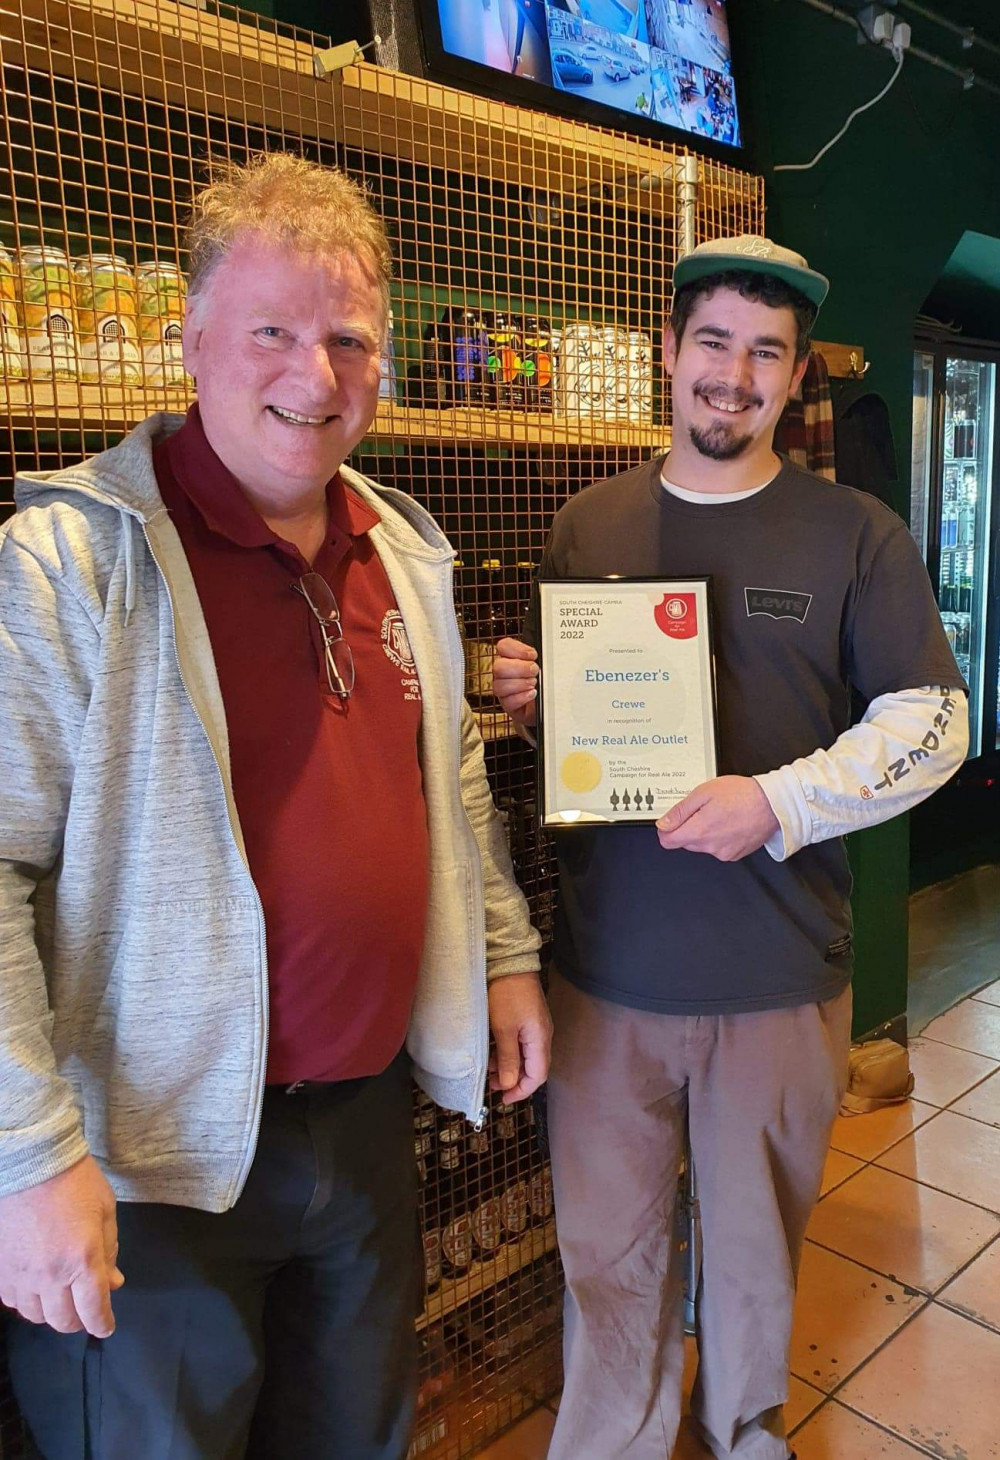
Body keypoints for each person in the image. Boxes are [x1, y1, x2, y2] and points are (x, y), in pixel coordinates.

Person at [0, 152, 550, 1460]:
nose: (317, 375)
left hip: (362, 1127)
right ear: (189, 340)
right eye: (274, 332)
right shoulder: (69, 564)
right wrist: (25, 1154)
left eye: (350, 340)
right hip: (149, 1157)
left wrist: (507, 955)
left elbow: (451, 787)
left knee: (355, 1438)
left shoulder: (400, 551)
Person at [493, 235, 968, 1460]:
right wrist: (546, 696)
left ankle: (744, 1430)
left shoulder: (852, 532)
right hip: (604, 980)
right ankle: (613, 1440)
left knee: (755, 1261)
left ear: (792, 372)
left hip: (775, 979)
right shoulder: (588, 522)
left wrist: (779, 801)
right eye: (712, 342)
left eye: (764, 352)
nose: (733, 375)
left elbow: (934, 726)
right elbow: (586, 750)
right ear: (669, 350)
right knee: (608, 1254)